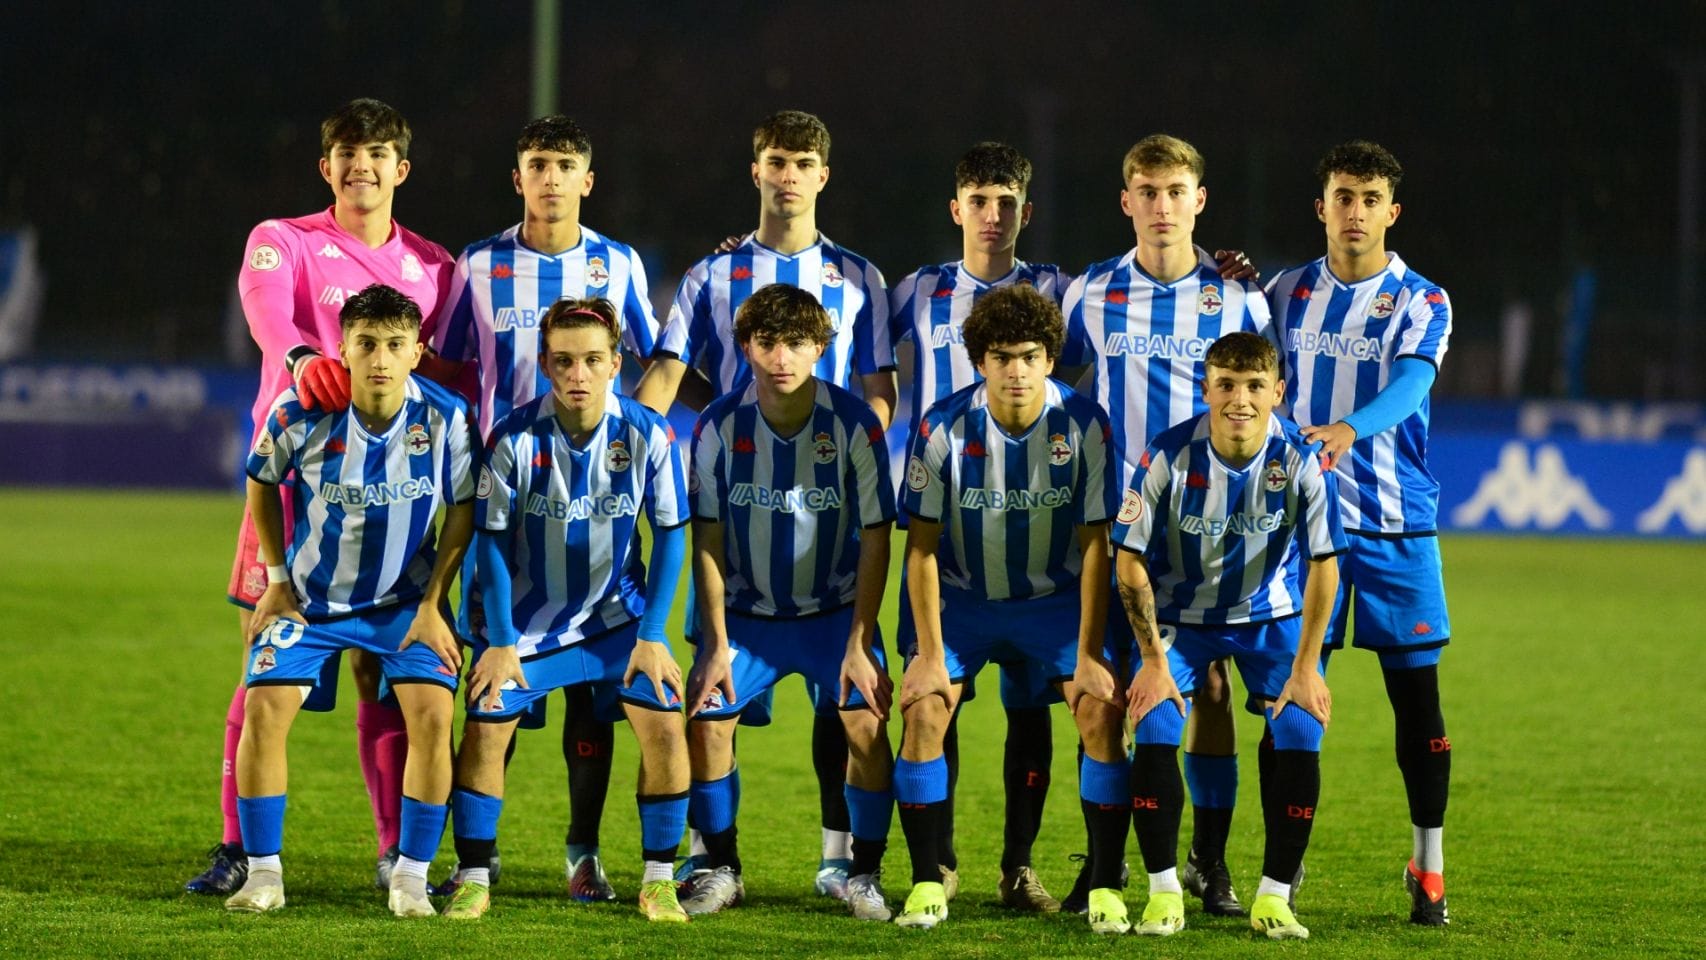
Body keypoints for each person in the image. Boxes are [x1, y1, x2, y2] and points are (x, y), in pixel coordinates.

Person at [190, 98, 455, 896]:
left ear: (401, 169)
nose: (360, 165)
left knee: (387, 674)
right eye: (345, 152)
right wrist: (304, 355)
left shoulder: (435, 268)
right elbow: (270, 317)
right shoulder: (284, 241)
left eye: (376, 153)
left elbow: (446, 369)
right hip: (295, 485)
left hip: (391, 493)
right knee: (264, 660)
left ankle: (391, 853)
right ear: (326, 166)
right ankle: (240, 850)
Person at [635, 110, 896, 900]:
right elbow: (671, 373)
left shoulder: (862, 279)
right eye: (776, 160)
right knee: (709, 711)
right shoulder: (712, 277)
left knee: (849, 713)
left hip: (833, 524)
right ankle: (719, 863)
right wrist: (624, 451)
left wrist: (840, 466)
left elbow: (879, 390)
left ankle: (847, 861)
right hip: (746, 527)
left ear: (823, 175)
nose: (789, 175)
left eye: (803, 162)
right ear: (757, 170)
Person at [425, 115, 661, 902]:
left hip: (595, 506)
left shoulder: (618, 264)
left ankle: (583, 853)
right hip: (507, 504)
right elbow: (453, 367)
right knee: (496, 691)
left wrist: (635, 438)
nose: (551, 177)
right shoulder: (480, 265)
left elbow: (655, 360)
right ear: (517, 177)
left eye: (565, 165)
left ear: (587, 181)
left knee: (594, 703)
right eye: (537, 164)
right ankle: (472, 863)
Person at [1060, 133, 1273, 916]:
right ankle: (1106, 867)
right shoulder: (1091, 293)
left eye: (1176, 190)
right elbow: (1056, 380)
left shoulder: (1239, 296)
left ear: (1200, 201)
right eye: (1146, 191)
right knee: (1111, 700)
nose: (1161, 206)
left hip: (1217, 532)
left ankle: (1207, 864)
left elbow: (1261, 398)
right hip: (1123, 534)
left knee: (1212, 693)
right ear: (1126, 201)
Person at [221, 284, 474, 916]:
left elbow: (465, 509)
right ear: (343, 348)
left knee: (434, 718)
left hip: (404, 607)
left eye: (395, 345)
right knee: (264, 710)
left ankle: (411, 876)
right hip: (310, 605)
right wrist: (276, 581)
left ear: (418, 351)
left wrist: (434, 603)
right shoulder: (298, 413)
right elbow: (259, 482)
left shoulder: (446, 417)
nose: (381, 359)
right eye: (366, 344)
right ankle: (263, 873)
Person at [441, 297, 691, 922]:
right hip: (526, 623)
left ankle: (658, 880)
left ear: (615, 364)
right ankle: (474, 875)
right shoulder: (514, 437)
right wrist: (499, 640)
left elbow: (672, 536)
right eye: (565, 361)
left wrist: (653, 634)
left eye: (592, 360)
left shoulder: (649, 434)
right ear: (546, 365)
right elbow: (492, 543)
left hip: (617, 620)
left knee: (663, 720)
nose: (578, 373)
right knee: (487, 719)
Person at [891, 284, 1123, 932]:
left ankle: (1103, 886)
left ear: (1049, 357)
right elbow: (922, 550)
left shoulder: (1085, 424)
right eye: (1001, 357)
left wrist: (1087, 651)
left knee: (1100, 713)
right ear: (979, 360)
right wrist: (931, 655)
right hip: (965, 599)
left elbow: (1096, 544)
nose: (1015, 370)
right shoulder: (941, 426)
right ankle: (926, 883)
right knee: (924, 711)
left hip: (1053, 600)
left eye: (1028, 355)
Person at [1265, 140, 1455, 926]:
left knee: (1418, 702)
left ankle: (1429, 862)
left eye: (1370, 198)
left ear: (1391, 211)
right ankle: (1284, 873)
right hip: (1297, 528)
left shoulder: (1422, 299)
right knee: (1292, 700)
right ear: (1322, 207)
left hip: (1393, 526)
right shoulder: (1283, 293)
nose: (1355, 212)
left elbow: (1414, 385)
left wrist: (1348, 428)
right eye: (1342, 196)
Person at [1114, 331, 1344, 940]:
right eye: (1226, 385)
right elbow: (1128, 559)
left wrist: (1307, 667)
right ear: (1205, 388)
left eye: (1254, 387)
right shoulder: (1166, 454)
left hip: (1268, 618)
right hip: (1181, 618)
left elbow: (1326, 564)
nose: (1239, 400)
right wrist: (1150, 660)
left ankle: (1274, 896)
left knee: (1299, 721)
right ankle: (1165, 893)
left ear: (1278, 392)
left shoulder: (1300, 458)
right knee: (1157, 714)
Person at [887, 141, 1068, 911]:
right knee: (935, 696)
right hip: (946, 536)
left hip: (1037, 536)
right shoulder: (914, 292)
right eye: (978, 199)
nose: (992, 216)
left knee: (1032, 712)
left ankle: (1019, 866)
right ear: (956, 208)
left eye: (1006, 202)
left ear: (1025, 212)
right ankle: (942, 862)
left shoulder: (1062, 289)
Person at [680, 284, 898, 921]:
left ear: (820, 348)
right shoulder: (718, 424)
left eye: (797, 343)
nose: (782, 356)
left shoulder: (854, 422)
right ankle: (721, 868)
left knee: (866, 724)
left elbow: (879, 534)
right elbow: (709, 538)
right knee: (709, 719)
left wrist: (860, 641)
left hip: (833, 615)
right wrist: (715, 643)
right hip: (748, 620)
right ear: (745, 346)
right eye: (768, 342)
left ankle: (864, 874)